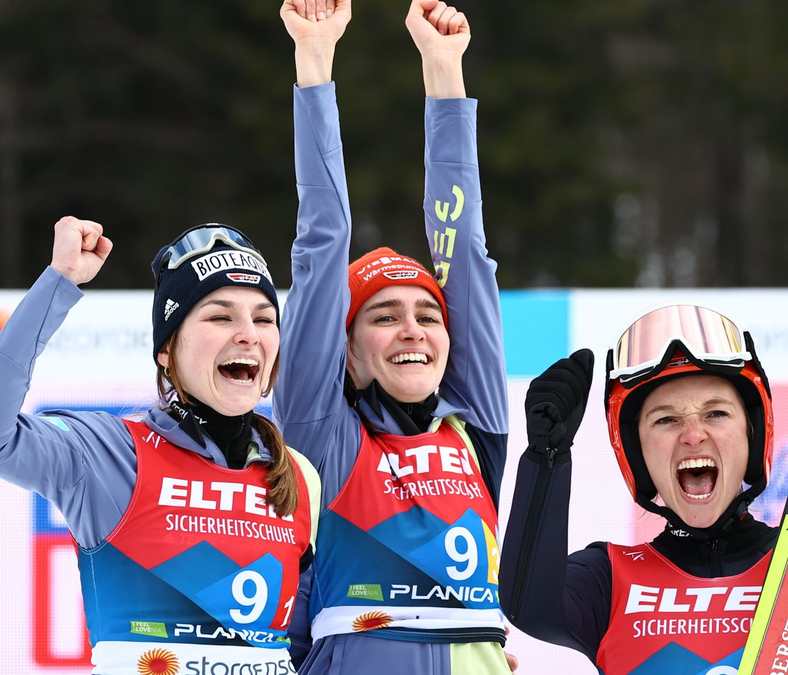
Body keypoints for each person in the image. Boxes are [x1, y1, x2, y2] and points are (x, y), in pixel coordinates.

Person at [275, 0, 512, 672]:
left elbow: (464, 251)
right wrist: (314, 61)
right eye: (383, 315)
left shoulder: (475, 426)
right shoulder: (321, 438)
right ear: (346, 352)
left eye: (427, 314)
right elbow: (321, 247)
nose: (412, 327)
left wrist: (445, 71)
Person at [0, 217, 319, 673]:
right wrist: (60, 280)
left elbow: (303, 645)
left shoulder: (297, 476)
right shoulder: (111, 456)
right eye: (220, 315)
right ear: (167, 350)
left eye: (264, 318)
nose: (249, 333)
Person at [501, 304, 788, 675]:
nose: (693, 435)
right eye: (666, 420)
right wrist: (546, 459)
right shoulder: (608, 577)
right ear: (638, 454)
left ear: (751, 435)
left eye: (716, 414)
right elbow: (528, 606)